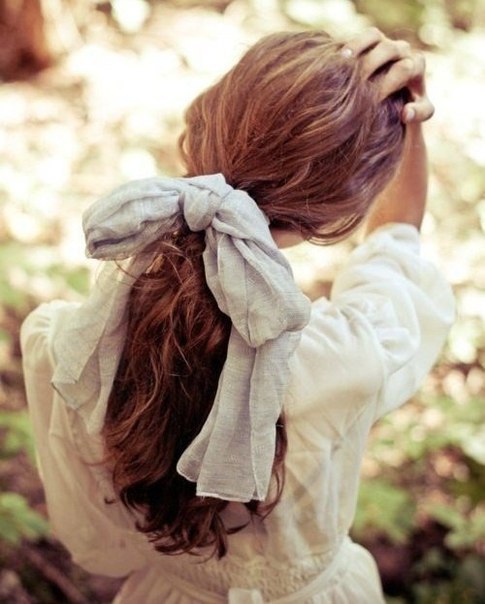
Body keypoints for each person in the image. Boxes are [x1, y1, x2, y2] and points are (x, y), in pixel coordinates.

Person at [21, 28, 454, 603]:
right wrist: (407, 123)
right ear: (339, 215)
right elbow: (396, 240)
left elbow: (101, 549)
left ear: (201, 133)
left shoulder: (73, 350)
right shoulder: (350, 356)